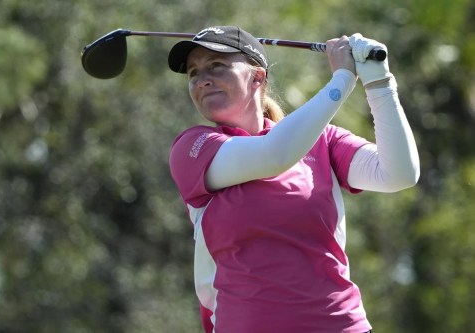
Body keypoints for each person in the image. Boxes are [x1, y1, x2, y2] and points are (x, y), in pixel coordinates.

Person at [167, 25, 420, 333]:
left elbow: (399, 174)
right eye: (193, 72)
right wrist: (342, 79)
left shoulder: (321, 140)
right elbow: (274, 156)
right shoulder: (193, 148)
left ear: (257, 77)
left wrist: (379, 82)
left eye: (216, 66)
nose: (202, 80)